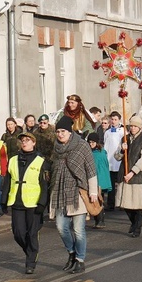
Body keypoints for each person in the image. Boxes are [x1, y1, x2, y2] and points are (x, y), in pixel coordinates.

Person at [50, 116, 99, 273]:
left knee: (78, 230)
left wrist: (93, 192)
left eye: (63, 131)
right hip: (60, 192)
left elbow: (90, 169)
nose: (60, 134)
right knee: (60, 227)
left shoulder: (82, 146)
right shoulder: (56, 148)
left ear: (70, 132)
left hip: (78, 192)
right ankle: (71, 253)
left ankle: (80, 259)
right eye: (58, 131)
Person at [1, 131, 48, 274]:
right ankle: (30, 251)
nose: (24, 142)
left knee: (32, 233)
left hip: (34, 204)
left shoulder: (41, 161)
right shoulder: (13, 159)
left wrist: (42, 203)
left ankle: (31, 261)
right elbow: (8, 181)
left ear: (34, 143)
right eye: (22, 140)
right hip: (17, 201)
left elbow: (45, 184)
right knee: (18, 233)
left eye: (28, 140)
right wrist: (3, 201)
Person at [114, 115, 142, 238]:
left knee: (138, 205)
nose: (133, 128)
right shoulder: (124, 139)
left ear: (139, 127)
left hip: (138, 176)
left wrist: (133, 171)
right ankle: (134, 222)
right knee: (125, 204)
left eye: (136, 126)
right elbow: (117, 157)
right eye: (132, 126)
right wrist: (121, 150)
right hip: (124, 173)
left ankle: (137, 228)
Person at [87, 132, 112, 229]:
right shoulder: (90, 153)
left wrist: (101, 182)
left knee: (99, 200)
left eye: (93, 142)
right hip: (93, 179)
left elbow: (103, 168)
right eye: (89, 142)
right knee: (94, 200)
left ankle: (101, 220)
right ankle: (98, 220)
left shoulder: (101, 153)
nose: (91, 144)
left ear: (97, 142)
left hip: (100, 180)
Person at [103, 111, 125, 211]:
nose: (113, 121)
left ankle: (121, 202)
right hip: (110, 161)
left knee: (121, 183)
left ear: (119, 120)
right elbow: (106, 145)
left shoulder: (123, 131)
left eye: (115, 119)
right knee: (111, 184)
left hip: (119, 161)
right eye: (112, 119)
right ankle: (111, 203)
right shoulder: (107, 132)